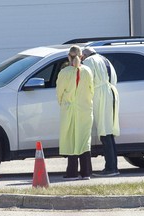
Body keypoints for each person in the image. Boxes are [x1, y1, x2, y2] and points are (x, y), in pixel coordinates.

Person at [56, 45, 94, 180]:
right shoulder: (87, 71)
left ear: (68, 56)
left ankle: (72, 172)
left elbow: (59, 92)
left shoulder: (64, 73)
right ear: (82, 56)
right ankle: (86, 172)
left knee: (71, 138)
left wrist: (63, 103)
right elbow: (91, 90)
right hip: (85, 109)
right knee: (84, 139)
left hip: (69, 110)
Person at [82, 47, 120, 177]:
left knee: (104, 131)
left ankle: (110, 167)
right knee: (108, 131)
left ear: (85, 55)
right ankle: (113, 165)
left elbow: (86, 81)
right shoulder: (105, 59)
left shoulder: (89, 61)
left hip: (101, 96)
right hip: (112, 93)